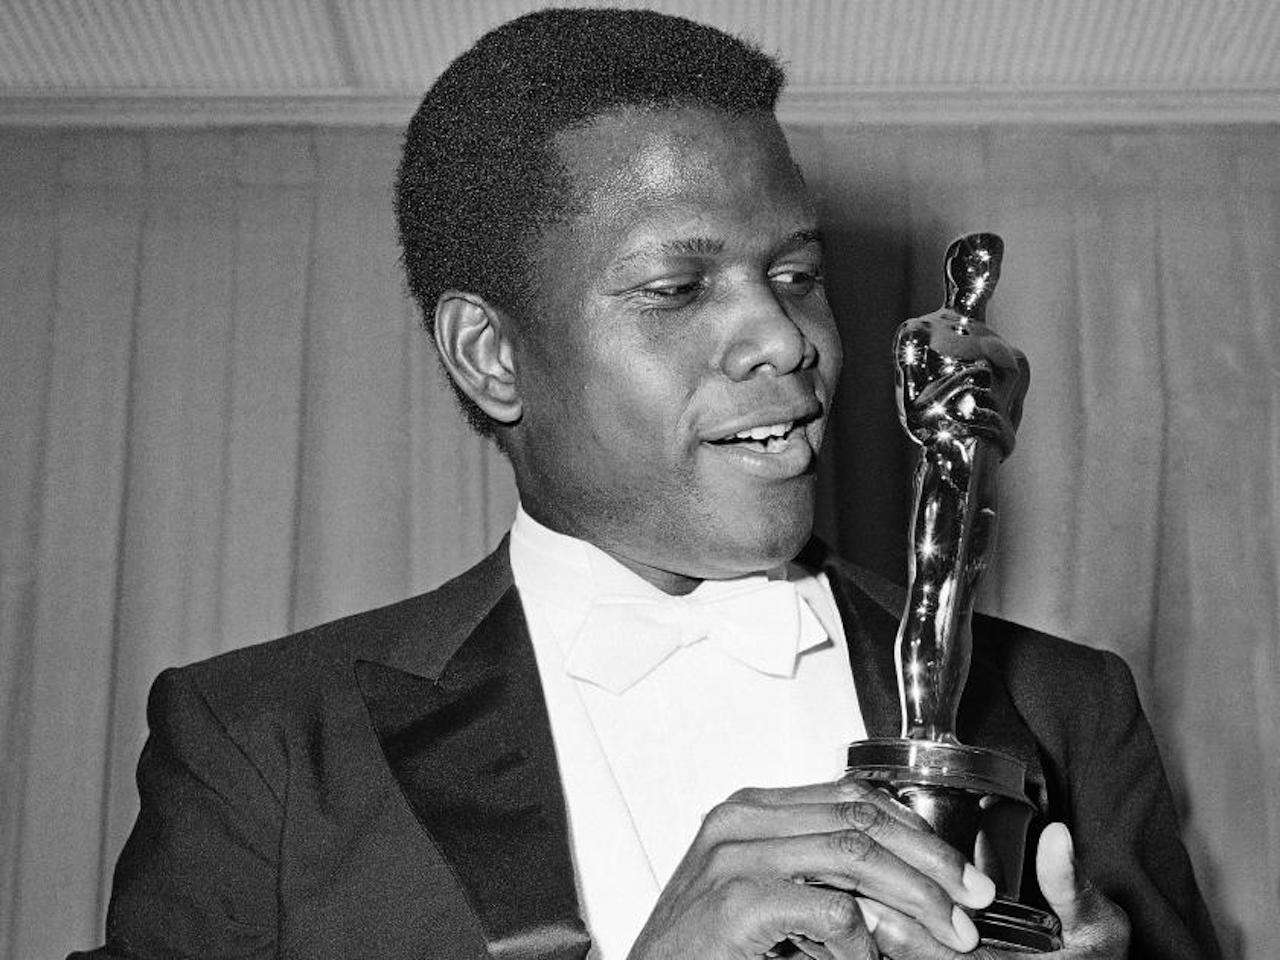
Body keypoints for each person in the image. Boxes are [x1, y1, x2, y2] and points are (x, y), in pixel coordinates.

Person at [73, 8, 1220, 960]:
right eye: (675, 287)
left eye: (795, 274)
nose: (785, 339)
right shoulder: (263, 743)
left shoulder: (1065, 707)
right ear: (490, 352)